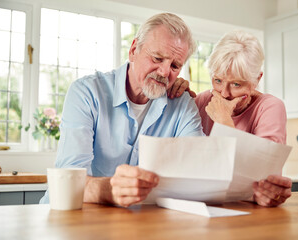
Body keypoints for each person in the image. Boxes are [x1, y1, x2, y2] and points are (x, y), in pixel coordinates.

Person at [40, 13, 204, 207]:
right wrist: (112, 189)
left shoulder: (183, 105)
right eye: (158, 58)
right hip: (72, 217)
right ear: (133, 50)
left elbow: (196, 173)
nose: (165, 72)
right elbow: (69, 178)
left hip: (135, 224)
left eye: (175, 66)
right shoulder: (86, 93)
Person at [172, 31, 292, 207]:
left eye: (237, 84)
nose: (225, 93)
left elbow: (262, 173)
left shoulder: (270, 107)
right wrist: (175, 94)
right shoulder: (202, 101)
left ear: (257, 79)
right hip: (208, 206)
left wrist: (224, 122)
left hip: (254, 209)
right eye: (218, 80)